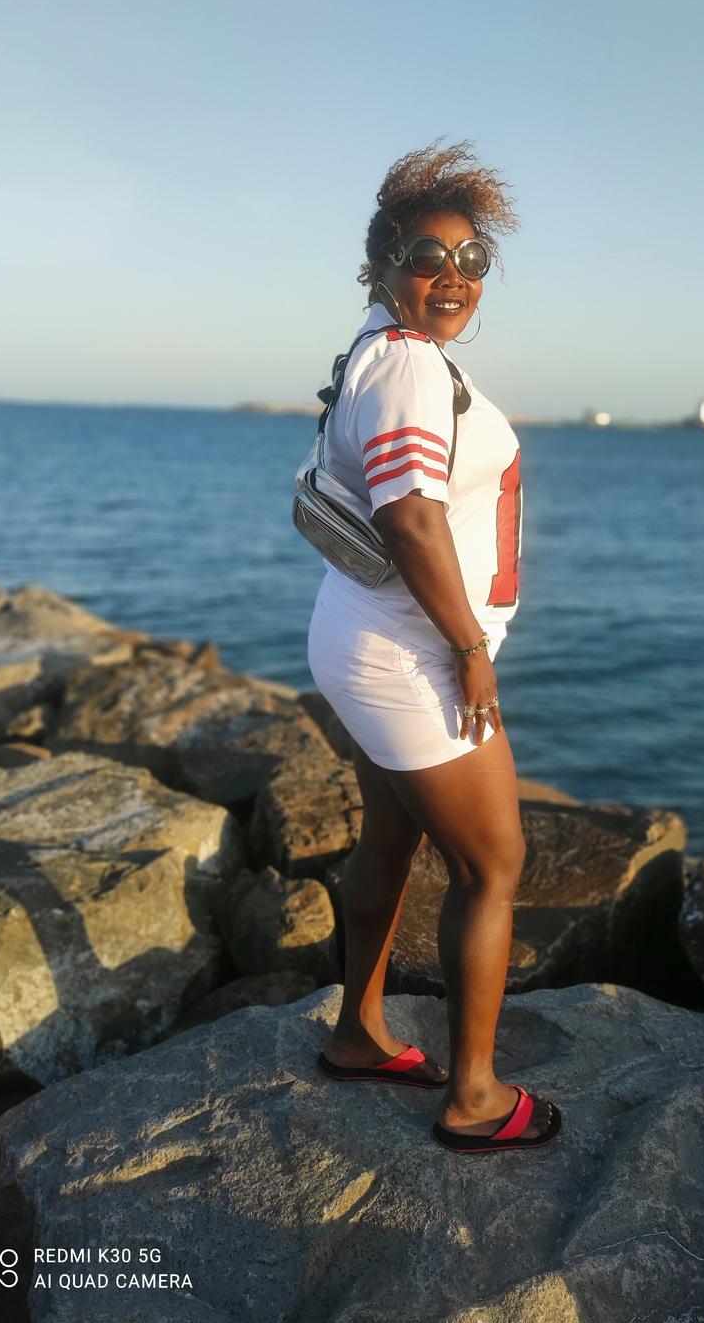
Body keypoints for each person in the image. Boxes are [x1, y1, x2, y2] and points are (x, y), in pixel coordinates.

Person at [307, 141, 561, 1153]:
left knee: (389, 840)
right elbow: (410, 519)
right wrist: (469, 648)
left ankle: (359, 1033)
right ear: (382, 262)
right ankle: (474, 1096)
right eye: (426, 255)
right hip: (408, 655)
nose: (451, 275)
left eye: (471, 259)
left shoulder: (383, 347)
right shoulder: (410, 366)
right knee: (493, 864)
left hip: (362, 634)